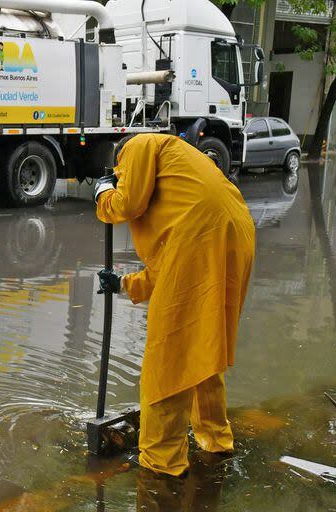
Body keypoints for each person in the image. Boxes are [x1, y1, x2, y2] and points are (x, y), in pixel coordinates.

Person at [95, 133, 255, 477]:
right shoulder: (180, 174)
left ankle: (161, 461)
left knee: (170, 358)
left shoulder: (137, 147)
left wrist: (103, 192)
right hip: (233, 234)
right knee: (203, 345)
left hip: (201, 241)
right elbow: (168, 269)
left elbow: (126, 205)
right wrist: (122, 284)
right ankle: (215, 440)